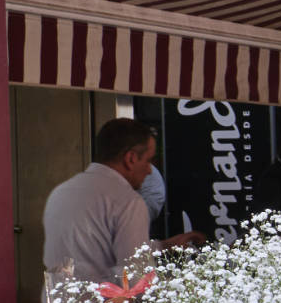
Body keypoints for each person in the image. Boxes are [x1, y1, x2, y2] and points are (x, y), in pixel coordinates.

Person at [43, 119, 201, 286]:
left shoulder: (61, 192)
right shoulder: (128, 202)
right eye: (148, 161)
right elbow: (136, 278)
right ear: (131, 158)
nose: (149, 171)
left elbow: (96, 249)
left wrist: (164, 245)